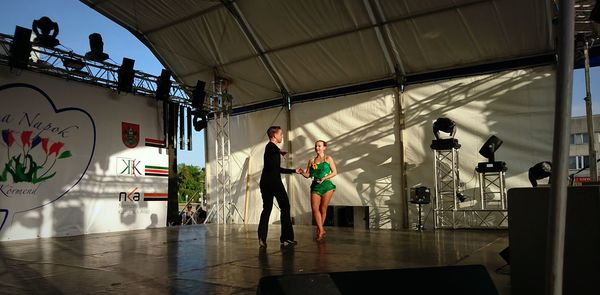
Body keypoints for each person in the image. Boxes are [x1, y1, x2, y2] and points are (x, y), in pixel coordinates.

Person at [258, 126, 303, 248]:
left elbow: (272, 159)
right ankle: (286, 238)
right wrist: (294, 170)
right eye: (280, 134)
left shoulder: (270, 148)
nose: (282, 136)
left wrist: (279, 152)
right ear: (274, 135)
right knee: (285, 206)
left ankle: (262, 238)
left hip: (265, 182)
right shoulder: (271, 147)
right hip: (274, 182)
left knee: (267, 209)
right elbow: (277, 169)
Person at [301, 140, 337, 242]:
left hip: (327, 186)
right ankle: (321, 230)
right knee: (314, 209)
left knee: (323, 209)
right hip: (315, 186)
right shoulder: (311, 161)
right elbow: (308, 175)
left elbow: (334, 172)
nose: (317, 148)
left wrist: (325, 178)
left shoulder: (328, 159)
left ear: (324, 147)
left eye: (319, 146)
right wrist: (302, 172)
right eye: (316, 146)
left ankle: (320, 230)